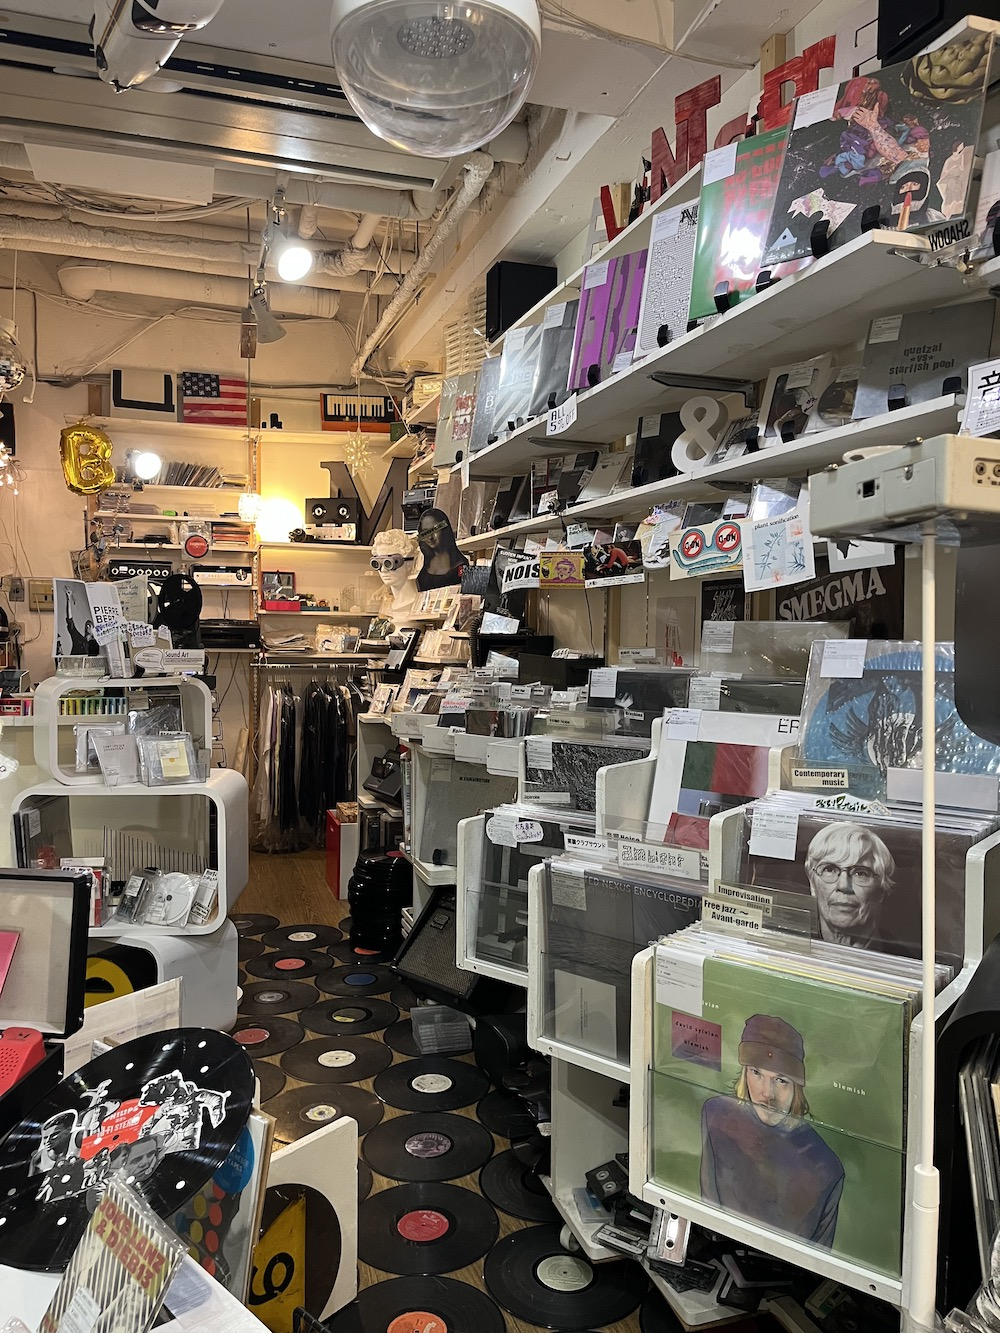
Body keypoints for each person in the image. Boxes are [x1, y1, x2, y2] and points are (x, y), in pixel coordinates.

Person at [700, 1015, 844, 1248]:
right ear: (744, 1073)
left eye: (781, 1080)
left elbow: (816, 1259)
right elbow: (708, 1216)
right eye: (756, 1073)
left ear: (797, 1087)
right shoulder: (716, 1115)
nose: (767, 1093)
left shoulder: (826, 1167)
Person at [804, 821, 895, 949]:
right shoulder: (787, 945)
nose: (843, 885)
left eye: (860, 873)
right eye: (829, 869)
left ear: (880, 891)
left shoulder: (906, 957)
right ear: (813, 884)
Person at [415, 508, 464, 591]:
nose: (430, 537)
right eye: (425, 532)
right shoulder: (422, 567)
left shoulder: (461, 566)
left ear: (445, 530)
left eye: (435, 530)